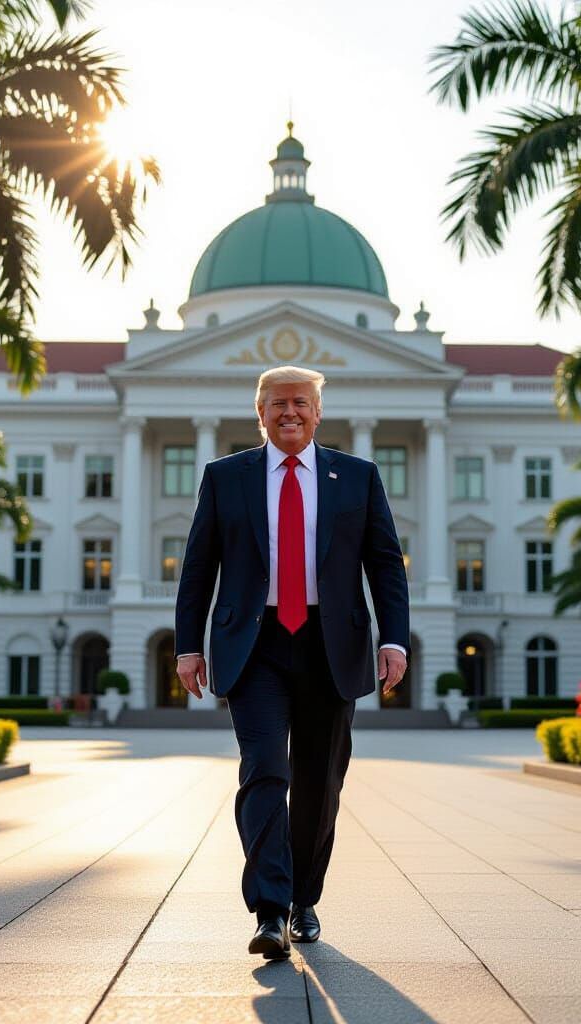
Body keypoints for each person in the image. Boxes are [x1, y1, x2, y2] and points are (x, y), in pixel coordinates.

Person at [175, 365, 409, 961]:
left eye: (301, 404)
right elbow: (198, 565)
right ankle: (271, 910)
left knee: (319, 782)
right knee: (263, 770)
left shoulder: (357, 476)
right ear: (260, 413)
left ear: (317, 412)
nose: (290, 413)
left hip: (331, 643)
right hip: (254, 644)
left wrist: (395, 639)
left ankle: (305, 897)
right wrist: (187, 644)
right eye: (278, 404)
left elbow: (384, 563)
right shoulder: (226, 477)